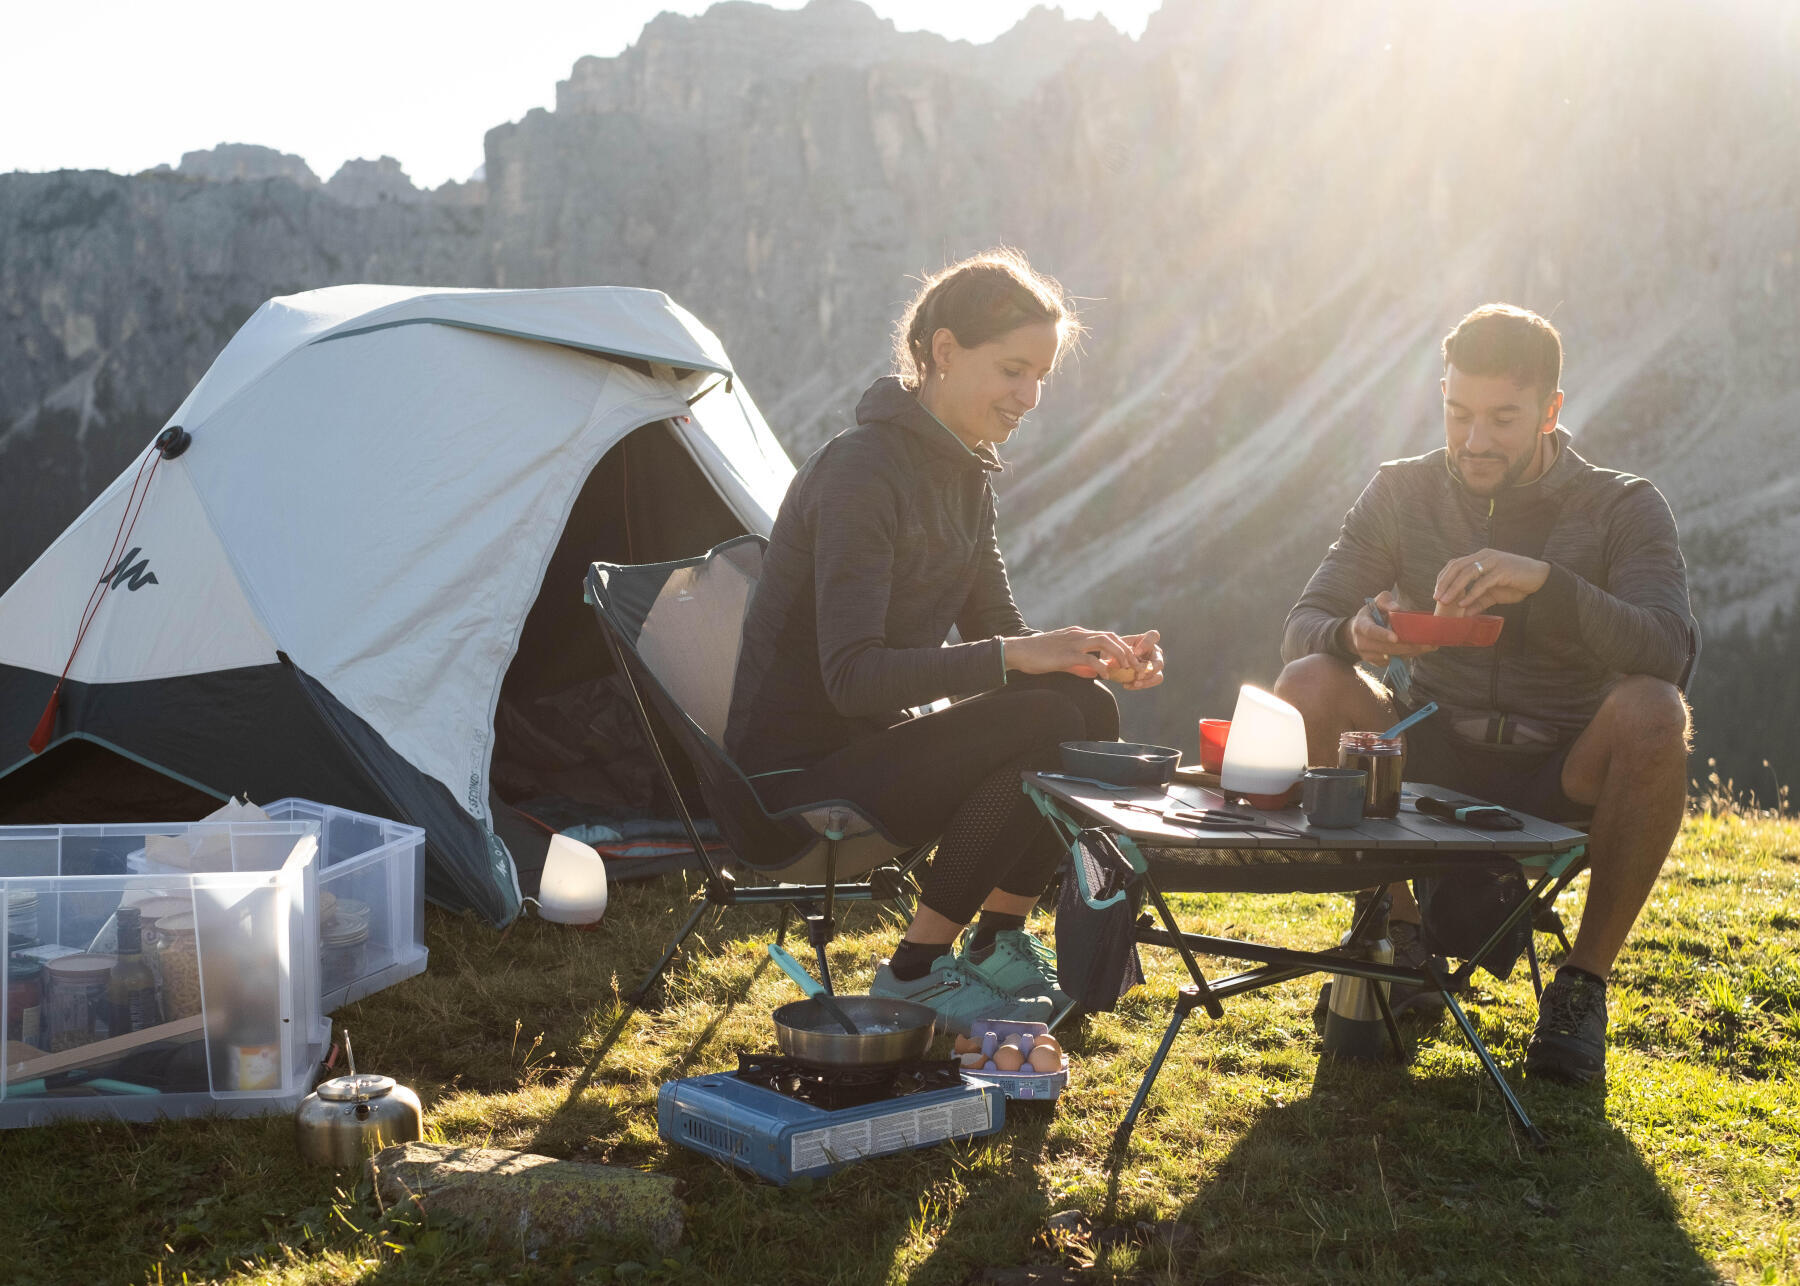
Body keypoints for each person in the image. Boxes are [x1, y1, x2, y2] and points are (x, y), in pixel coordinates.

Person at [725, 248, 1164, 1032]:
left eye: (1040, 378)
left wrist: (1090, 654)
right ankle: (915, 970)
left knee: (1079, 703)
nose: (1029, 397)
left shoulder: (965, 479)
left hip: (874, 755)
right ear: (943, 352)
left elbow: (1003, 642)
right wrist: (1022, 657)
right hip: (792, 782)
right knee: (1054, 711)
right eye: (1012, 370)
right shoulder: (861, 470)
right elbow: (851, 680)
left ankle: (996, 942)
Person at [1275, 303, 1697, 1084]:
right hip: (1429, 750)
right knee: (1309, 683)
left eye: (1503, 419)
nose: (1474, 440)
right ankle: (1403, 932)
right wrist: (1354, 635)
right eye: (1457, 413)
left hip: (1562, 760)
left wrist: (1549, 585)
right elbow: (1305, 623)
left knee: (1654, 712)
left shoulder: (1621, 506)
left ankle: (1581, 985)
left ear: (1550, 411)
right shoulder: (1403, 493)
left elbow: (1668, 649)